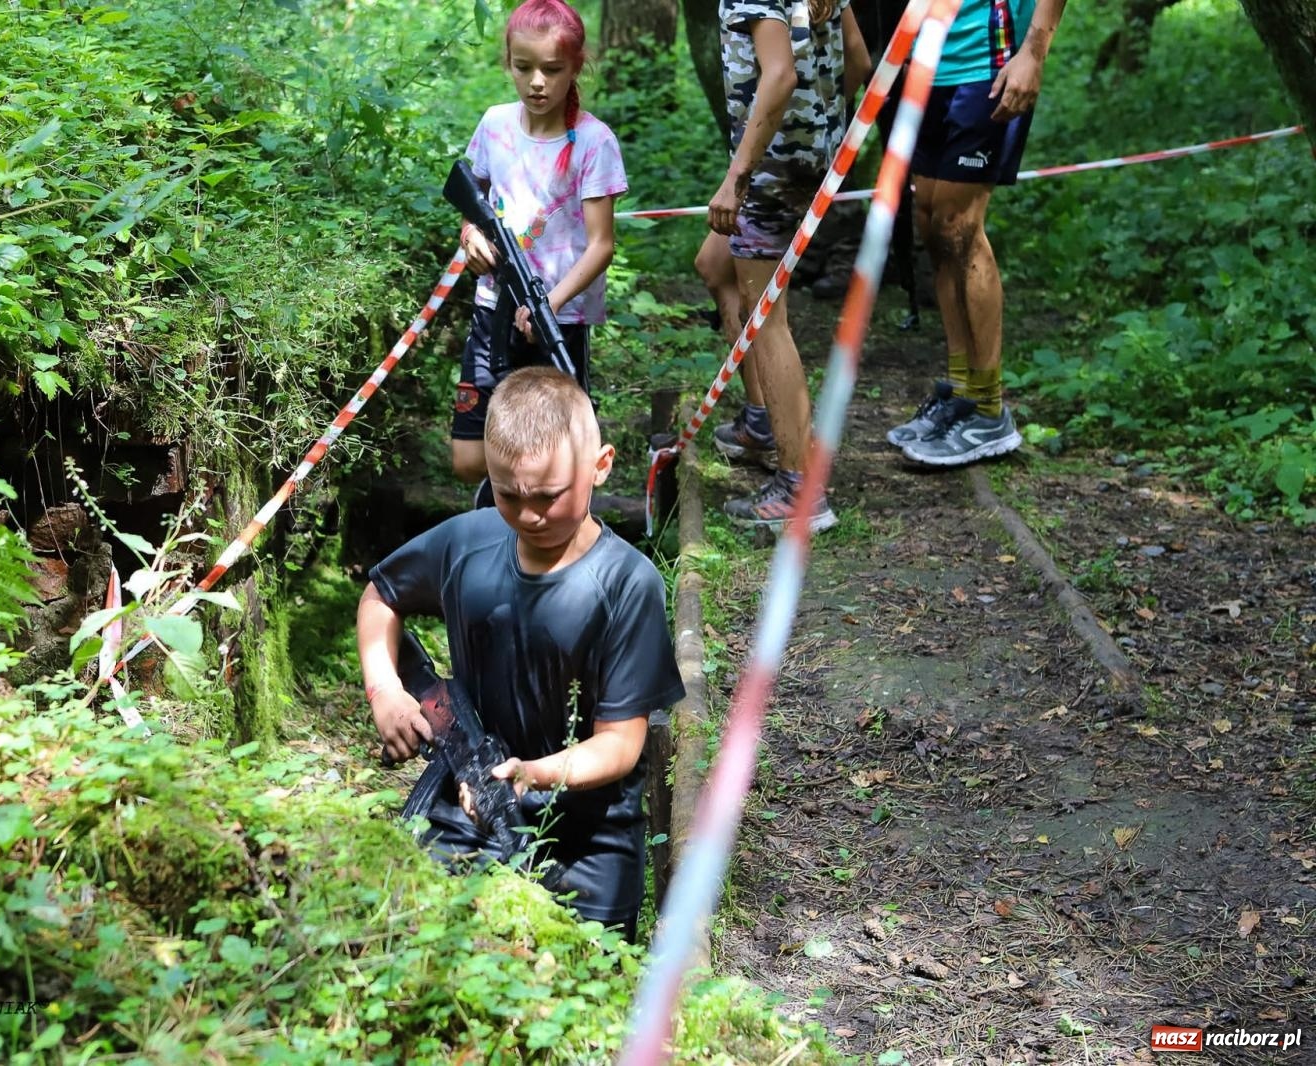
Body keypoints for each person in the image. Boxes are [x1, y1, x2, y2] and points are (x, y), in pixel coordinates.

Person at [358, 368, 685, 938]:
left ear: (600, 466)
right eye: (509, 495)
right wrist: (386, 691)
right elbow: (380, 596)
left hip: (590, 851)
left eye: (548, 497)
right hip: (465, 818)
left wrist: (532, 774)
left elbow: (621, 744)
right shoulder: (468, 542)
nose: (529, 515)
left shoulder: (627, 584)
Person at [451, 0, 627, 498]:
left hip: (557, 322)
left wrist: (547, 304)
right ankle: (505, 498)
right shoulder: (495, 125)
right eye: (523, 67)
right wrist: (472, 236)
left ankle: (528, 527)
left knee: (556, 449)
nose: (536, 83)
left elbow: (601, 246)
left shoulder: (594, 142)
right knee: (468, 458)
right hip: (493, 310)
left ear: (576, 66)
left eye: (552, 70)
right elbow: (474, 198)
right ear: (507, 62)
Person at [707, 0, 871, 532]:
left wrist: (738, 176)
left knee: (766, 320)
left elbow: (778, 74)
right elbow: (858, 63)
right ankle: (761, 421)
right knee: (714, 265)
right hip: (810, 160)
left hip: (770, 173)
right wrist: (816, 133)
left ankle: (799, 487)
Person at [889, 0, 1065, 466]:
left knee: (959, 227)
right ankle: (962, 392)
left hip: (988, 65)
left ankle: (989, 409)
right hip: (927, 69)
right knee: (931, 226)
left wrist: (1034, 53)